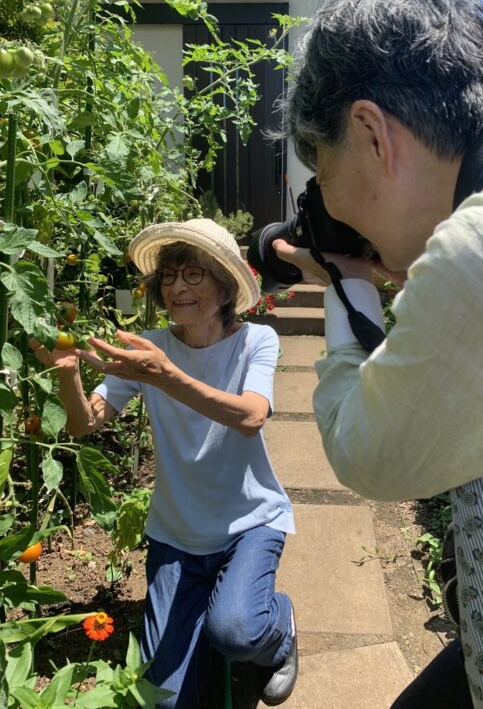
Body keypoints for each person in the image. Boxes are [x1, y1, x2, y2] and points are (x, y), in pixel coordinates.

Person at [270, 0, 483, 708]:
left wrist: (347, 280)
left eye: (327, 180)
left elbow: (370, 450)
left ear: (371, 133)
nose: (340, 214)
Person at [31, 218, 298, 708]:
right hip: (176, 535)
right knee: (166, 700)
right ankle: (214, 619)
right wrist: (68, 376)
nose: (177, 286)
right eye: (170, 276)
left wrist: (167, 375)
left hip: (250, 523)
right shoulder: (150, 349)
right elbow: (84, 425)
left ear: (224, 285)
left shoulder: (255, 341)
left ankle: (279, 630)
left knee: (237, 632)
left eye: (193, 274)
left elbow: (251, 416)